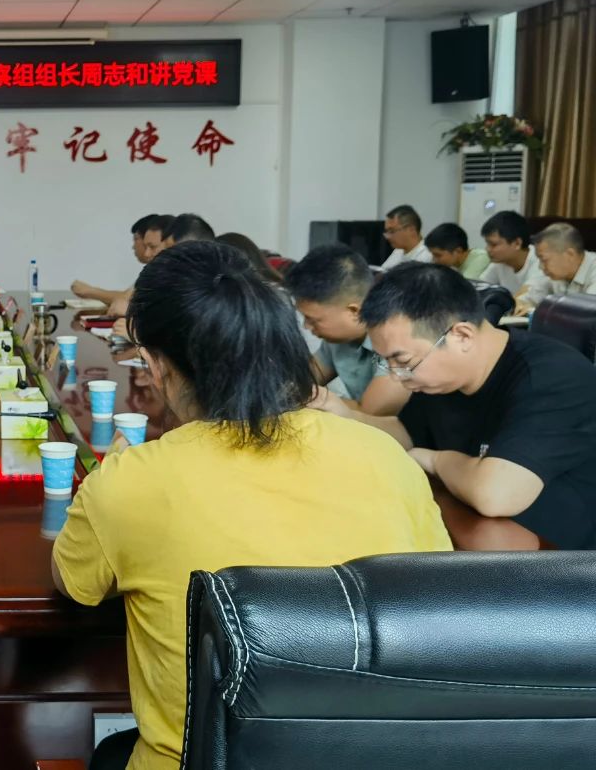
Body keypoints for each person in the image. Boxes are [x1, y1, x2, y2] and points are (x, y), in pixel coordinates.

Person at [52, 242, 450, 770]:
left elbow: (73, 584)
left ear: (153, 362)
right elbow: (432, 594)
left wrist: (110, 489)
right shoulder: (385, 456)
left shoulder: (132, 483)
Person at [313, 262, 596, 550]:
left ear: (462, 336)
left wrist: (435, 460)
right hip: (471, 528)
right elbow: (406, 431)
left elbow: (495, 495)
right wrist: (346, 416)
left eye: (403, 361)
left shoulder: (552, 377)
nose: (397, 376)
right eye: (387, 362)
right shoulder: (443, 379)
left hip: (559, 560)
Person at [285, 244, 408, 415]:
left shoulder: (396, 342)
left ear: (354, 311)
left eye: (314, 320)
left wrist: (318, 398)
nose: (307, 326)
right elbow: (300, 385)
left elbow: (370, 415)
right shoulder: (336, 340)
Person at [71, 215, 170, 306]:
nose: (133, 246)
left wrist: (89, 291)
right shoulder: (152, 270)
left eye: (136, 239)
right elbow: (128, 296)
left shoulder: (165, 272)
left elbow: (126, 299)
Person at [480, 211, 549, 314]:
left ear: (517, 243)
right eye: (487, 244)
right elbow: (479, 290)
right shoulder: (499, 263)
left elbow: (527, 295)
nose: (487, 249)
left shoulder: (541, 260)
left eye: (493, 245)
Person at [534, 222, 596, 297]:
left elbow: (589, 304)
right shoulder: (555, 275)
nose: (540, 267)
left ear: (570, 254)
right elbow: (528, 299)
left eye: (544, 260)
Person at [425, 222, 490, 280]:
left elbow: (465, 287)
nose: (434, 260)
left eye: (438, 255)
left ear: (458, 251)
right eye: (433, 255)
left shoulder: (482, 257)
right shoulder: (453, 265)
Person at [380, 204, 432, 270]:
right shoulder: (398, 250)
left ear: (411, 229)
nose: (387, 237)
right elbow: (382, 271)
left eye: (392, 231)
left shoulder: (427, 256)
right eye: (387, 232)